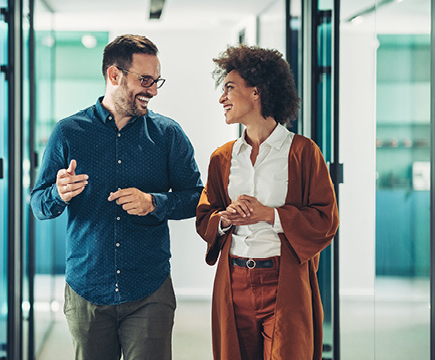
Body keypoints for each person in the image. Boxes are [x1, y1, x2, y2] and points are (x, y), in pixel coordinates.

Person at [30, 34, 203, 360]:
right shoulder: (68, 133)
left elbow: (196, 197)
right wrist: (58, 193)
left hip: (149, 289)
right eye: (145, 79)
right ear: (114, 75)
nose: (152, 90)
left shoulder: (168, 135)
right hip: (87, 290)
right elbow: (38, 203)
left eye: (156, 80)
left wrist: (155, 203)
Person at [196, 45, 339, 360]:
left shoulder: (303, 152)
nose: (222, 98)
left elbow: (326, 220)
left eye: (229, 88)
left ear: (257, 91)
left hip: (283, 283)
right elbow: (205, 216)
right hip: (233, 284)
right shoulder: (222, 158)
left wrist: (270, 215)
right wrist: (226, 218)